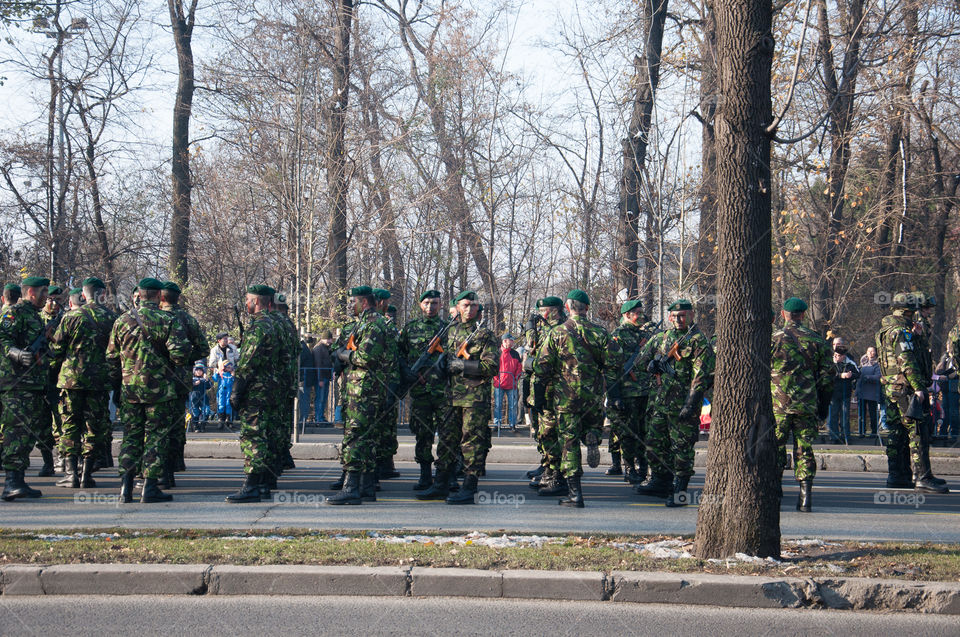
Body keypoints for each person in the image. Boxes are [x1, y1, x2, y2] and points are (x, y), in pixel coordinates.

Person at [107, 277, 192, 504]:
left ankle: (126, 488)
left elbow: (112, 359)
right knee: (156, 438)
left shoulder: (122, 321)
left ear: (140, 295)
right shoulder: (167, 320)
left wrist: (118, 385)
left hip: (130, 390)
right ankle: (150, 487)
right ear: (158, 296)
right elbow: (180, 355)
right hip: (159, 392)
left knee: (131, 437)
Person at [416, 290, 498, 504]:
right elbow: (442, 357)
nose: (469, 309)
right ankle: (441, 484)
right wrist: (441, 367)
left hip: (474, 398)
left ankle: (469, 488)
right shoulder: (450, 331)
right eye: (465, 305)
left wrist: (462, 365)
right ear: (458, 307)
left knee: (472, 442)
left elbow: (491, 367)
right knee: (446, 440)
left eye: (473, 305)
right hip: (451, 395)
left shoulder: (484, 334)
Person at [635, 299, 715, 507]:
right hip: (660, 402)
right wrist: (651, 365)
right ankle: (660, 481)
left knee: (681, 448)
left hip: (683, 404)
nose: (679, 319)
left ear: (691, 316)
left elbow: (701, 377)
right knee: (654, 443)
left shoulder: (699, 341)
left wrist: (690, 404)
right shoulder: (663, 338)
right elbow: (640, 361)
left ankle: (680, 490)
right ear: (669, 317)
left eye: (683, 316)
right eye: (675, 316)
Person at [532, 290, 608, 508]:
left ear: (567, 307)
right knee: (590, 424)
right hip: (592, 395)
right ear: (587, 308)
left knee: (569, 442)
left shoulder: (557, 332)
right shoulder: (600, 333)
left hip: (566, 398)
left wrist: (539, 398)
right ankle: (592, 434)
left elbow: (542, 368)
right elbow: (613, 364)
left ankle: (575, 494)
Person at [48, 279, 117, 490]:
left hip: (71, 380)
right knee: (93, 427)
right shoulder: (111, 318)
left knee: (69, 425)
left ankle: (71, 474)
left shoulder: (71, 317)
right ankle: (86, 473)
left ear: (83, 295)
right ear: (102, 294)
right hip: (99, 381)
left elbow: (56, 349)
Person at [875, 292, 948, 493]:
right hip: (905, 388)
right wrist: (918, 387)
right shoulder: (901, 332)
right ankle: (923, 477)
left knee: (896, 432)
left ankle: (898, 475)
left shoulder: (886, 329)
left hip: (891, 388)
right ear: (908, 311)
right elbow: (906, 360)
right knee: (918, 432)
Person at [327, 285, 390, 505]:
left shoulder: (373, 323)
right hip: (364, 389)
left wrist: (343, 354)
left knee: (355, 437)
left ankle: (351, 487)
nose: (349, 306)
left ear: (363, 302)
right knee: (366, 439)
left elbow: (365, 357)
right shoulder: (366, 322)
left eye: (351, 301)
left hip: (364, 391)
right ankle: (365, 487)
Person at [770, 297, 834, 512]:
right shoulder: (817, 340)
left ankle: (775, 492)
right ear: (803, 315)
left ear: (783, 314)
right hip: (806, 404)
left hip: (778, 405)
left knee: (776, 446)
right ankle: (805, 497)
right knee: (804, 448)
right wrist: (823, 407)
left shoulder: (773, 339)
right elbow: (827, 378)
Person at [225, 284, 283, 503]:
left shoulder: (259, 326)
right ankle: (262, 485)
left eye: (248, 299)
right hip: (272, 389)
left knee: (254, 437)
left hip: (257, 391)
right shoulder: (277, 324)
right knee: (265, 435)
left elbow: (248, 362)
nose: (247, 303)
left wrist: (237, 390)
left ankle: (251, 486)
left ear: (257, 301)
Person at [0, 276, 51, 501]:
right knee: (15, 432)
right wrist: (16, 353)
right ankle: (11, 481)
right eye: (43, 292)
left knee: (27, 433)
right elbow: (2, 337)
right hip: (16, 384)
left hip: (32, 384)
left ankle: (18, 480)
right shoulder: (14, 313)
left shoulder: (35, 316)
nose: (46, 296)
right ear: (31, 292)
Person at [159, 281, 209, 489]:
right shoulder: (187, 319)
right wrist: (187, 359)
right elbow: (203, 348)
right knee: (177, 423)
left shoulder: (158, 317)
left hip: (159, 380)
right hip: (180, 379)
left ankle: (160, 471)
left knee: (158, 426)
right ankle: (173, 466)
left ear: (161, 297)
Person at [605, 299, 660, 486]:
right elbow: (611, 368)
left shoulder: (647, 334)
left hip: (646, 392)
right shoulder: (618, 336)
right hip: (628, 393)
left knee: (646, 432)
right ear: (626, 315)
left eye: (641, 312)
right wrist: (614, 396)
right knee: (628, 433)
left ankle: (643, 468)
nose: (641, 316)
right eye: (637, 313)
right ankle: (629, 469)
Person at [398, 290, 447, 490]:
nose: (430, 307)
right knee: (422, 433)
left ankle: (445, 475)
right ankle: (425, 474)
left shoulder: (447, 329)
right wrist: (407, 372)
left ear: (440, 305)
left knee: (447, 434)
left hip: (443, 391)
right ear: (420, 305)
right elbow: (399, 354)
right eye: (426, 303)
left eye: (434, 303)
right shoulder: (410, 328)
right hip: (420, 390)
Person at [522, 296, 567, 494]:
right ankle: (547, 467)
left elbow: (538, 352)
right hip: (540, 387)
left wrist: (530, 330)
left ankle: (556, 473)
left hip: (552, 389)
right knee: (542, 431)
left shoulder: (559, 328)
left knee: (550, 432)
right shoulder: (547, 328)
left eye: (543, 311)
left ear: (552, 311)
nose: (540, 315)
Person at [827, 337, 859, 443]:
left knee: (845, 416)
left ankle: (846, 436)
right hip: (832, 392)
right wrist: (840, 375)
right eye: (835, 344)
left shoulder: (849, 360)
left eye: (839, 344)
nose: (836, 346)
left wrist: (850, 375)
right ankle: (833, 437)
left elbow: (857, 373)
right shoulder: (829, 359)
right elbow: (826, 375)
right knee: (833, 415)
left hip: (845, 392)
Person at [493, 333, 522, 431]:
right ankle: (497, 424)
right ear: (505, 341)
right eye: (511, 340)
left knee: (513, 406)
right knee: (498, 405)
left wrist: (515, 378)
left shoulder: (515, 354)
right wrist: (496, 378)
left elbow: (519, 367)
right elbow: (493, 367)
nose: (513, 342)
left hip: (512, 384)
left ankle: (512, 424)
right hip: (499, 384)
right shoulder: (497, 353)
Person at [858, 346, 881, 436]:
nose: (871, 353)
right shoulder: (862, 362)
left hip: (872, 392)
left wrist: (868, 377)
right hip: (862, 391)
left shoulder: (878, 364)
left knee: (872, 413)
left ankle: (874, 431)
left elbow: (878, 376)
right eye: (869, 351)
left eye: (872, 351)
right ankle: (862, 431)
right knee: (861, 414)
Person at [312, 331, 333, 423]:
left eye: (330, 339)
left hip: (326, 377)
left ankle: (321, 416)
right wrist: (320, 379)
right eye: (327, 339)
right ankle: (318, 418)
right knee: (320, 398)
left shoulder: (326, 348)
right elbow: (318, 364)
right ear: (322, 339)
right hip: (320, 377)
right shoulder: (318, 349)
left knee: (324, 398)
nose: (329, 341)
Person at [299, 336, 317, 424]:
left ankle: (302, 420)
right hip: (306, 378)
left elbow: (299, 362)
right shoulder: (304, 347)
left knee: (303, 399)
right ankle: (302, 419)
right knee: (304, 399)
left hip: (304, 378)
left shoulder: (301, 348)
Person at [188, 364, 212, 432]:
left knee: (206, 410)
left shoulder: (204, 379)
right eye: (197, 370)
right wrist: (194, 384)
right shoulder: (192, 379)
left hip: (203, 396)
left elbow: (209, 386)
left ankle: (203, 424)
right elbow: (187, 386)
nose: (199, 372)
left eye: (200, 370)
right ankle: (196, 426)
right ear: (194, 372)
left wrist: (206, 379)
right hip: (194, 396)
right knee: (195, 411)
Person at [213, 361, 235, 427]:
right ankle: (220, 420)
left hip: (229, 392)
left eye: (231, 367)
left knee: (229, 405)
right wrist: (217, 373)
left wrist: (233, 375)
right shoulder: (221, 374)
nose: (230, 368)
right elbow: (214, 379)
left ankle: (229, 420)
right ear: (224, 368)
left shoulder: (231, 375)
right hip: (221, 392)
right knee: (221, 405)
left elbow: (234, 382)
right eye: (228, 367)